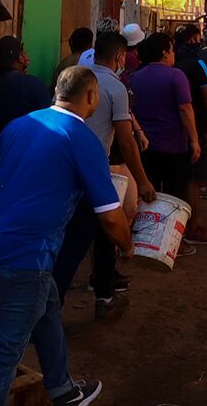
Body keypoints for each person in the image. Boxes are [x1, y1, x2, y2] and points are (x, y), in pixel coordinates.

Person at [0, 66, 130, 406]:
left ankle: (62, 389)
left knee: (47, 305)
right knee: (5, 351)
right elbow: (111, 217)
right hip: (25, 255)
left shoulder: (20, 125)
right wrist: (128, 246)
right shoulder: (81, 138)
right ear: (91, 96)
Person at [53, 30, 153, 316]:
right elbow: (125, 140)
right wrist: (143, 180)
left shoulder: (74, 79)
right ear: (120, 57)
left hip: (64, 169)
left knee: (78, 237)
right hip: (94, 172)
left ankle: (104, 294)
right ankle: (55, 304)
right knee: (89, 237)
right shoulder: (114, 87)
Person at [128, 33, 200, 210]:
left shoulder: (135, 77)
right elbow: (185, 110)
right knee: (173, 198)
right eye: (172, 49)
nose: (174, 54)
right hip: (173, 148)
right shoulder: (176, 76)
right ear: (164, 52)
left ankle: (145, 234)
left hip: (145, 148)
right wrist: (194, 140)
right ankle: (171, 236)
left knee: (148, 196)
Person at [171, 24, 207, 240]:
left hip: (173, 130)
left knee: (178, 178)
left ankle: (175, 225)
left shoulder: (171, 62)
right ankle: (194, 227)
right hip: (198, 127)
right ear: (194, 39)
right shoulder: (198, 65)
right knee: (194, 179)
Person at [0, 36, 48, 168]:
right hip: (25, 158)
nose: (28, 59)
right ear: (19, 57)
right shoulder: (35, 85)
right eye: (25, 54)